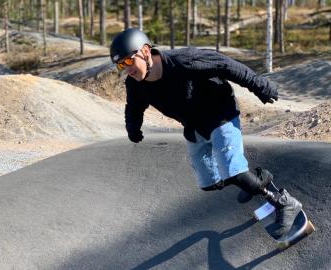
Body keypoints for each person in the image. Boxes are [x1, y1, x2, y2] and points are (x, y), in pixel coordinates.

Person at [110, 28, 302, 239]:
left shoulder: (184, 61)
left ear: (145, 51)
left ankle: (284, 202)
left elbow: (224, 64)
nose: (126, 69)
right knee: (210, 182)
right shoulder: (135, 84)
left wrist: (259, 84)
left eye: (129, 61)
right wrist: (133, 129)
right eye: (120, 65)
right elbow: (134, 108)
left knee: (233, 172)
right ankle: (254, 180)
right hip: (194, 125)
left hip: (221, 114)